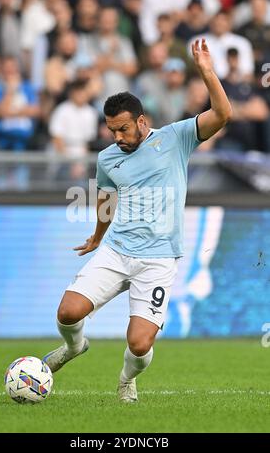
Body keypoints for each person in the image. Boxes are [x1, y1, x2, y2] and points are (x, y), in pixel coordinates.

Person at [43, 39, 232, 402]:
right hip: (117, 251)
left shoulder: (176, 138)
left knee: (140, 342)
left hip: (159, 259)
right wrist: (98, 236)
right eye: (112, 130)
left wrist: (207, 73)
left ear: (141, 121)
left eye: (123, 130)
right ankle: (73, 347)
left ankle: (127, 378)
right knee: (68, 312)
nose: (117, 137)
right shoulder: (108, 158)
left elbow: (223, 115)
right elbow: (105, 198)